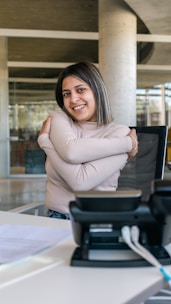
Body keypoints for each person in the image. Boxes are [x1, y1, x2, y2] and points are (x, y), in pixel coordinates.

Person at [38, 61, 138, 219]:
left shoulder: (120, 132)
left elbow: (80, 182)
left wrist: (45, 142)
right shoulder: (59, 119)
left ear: (97, 91)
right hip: (55, 218)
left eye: (80, 90)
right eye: (66, 94)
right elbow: (72, 152)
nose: (73, 99)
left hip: (98, 221)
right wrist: (128, 144)